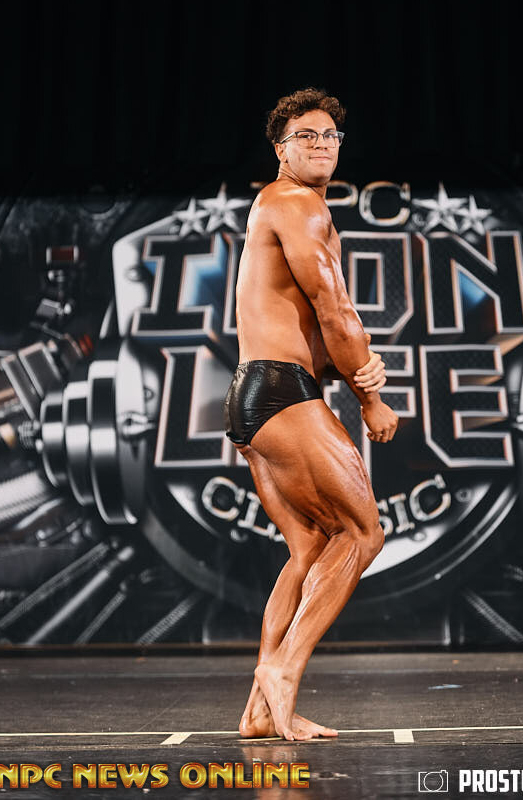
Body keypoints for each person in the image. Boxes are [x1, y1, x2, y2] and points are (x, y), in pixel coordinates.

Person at [223, 87, 399, 742]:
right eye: (306, 135)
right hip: (280, 392)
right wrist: (369, 396)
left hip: (254, 395)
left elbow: (308, 327)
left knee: (309, 548)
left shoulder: (275, 207)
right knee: (363, 533)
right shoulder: (297, 204)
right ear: (280, 149)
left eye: (330, 136)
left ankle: (258, 711)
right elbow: (333, 308)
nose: (322, 144)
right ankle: (283, 670)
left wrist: (351, 368)